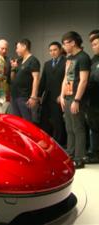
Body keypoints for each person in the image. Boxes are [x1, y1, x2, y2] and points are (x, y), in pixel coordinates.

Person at [59, 31, 91, 169]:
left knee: (78, 127)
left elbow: (83, 80)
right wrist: (61, 95)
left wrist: (76, 100)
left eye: (65, 43)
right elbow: (66, 77)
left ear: (73, 42)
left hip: (76, 97)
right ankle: (70, 153)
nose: (64, 46)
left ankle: (79, 158)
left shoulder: (83, 57)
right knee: (69, 127)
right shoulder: (69, 58)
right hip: (67, 96)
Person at [37, 42, 67, 147]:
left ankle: (59, 144)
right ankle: (46, 143)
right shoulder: (47, 64)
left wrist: (63, 95)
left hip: (59, 97)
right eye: (50, 50)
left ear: (60, 50)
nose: (52, 52)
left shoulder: (66, 62)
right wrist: (39, 95)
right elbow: (43, 81)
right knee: (44, 121)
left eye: (55, 50)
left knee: (58, 121)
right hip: (48, 97)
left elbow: (68, 81)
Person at [10, 39, 40, 122]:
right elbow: (12, 78)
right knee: (17, 122)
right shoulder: (19, 61)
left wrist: (33, 96)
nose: (16, 50)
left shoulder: (33, 60)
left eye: (17, 48)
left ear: (24, 47)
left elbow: (36, 79)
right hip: (15, 96)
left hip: (24, 97)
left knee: (27, 122)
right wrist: (13, 68)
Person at [84, 33, 99, 163]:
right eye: (92, 45)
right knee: (94, 127)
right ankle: (94, 153)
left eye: (95, 44)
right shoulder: (93, 60)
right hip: (93, 100)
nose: (93, 47)